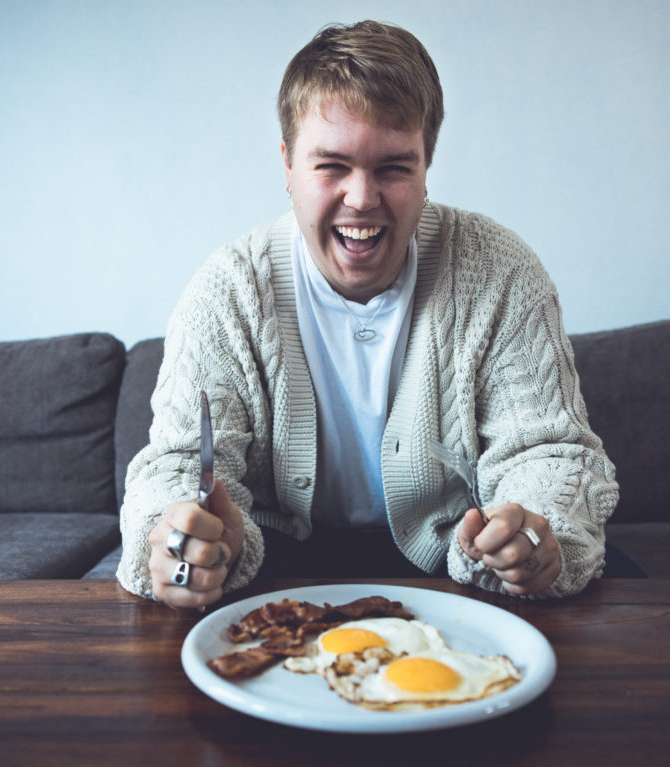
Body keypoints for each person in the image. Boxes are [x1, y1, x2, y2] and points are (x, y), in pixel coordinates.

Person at [117, 20, 620, 610]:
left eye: (393, 168)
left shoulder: (500, 271)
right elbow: (179, 464)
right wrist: (181, 540)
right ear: (287, 166)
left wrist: (538, 535)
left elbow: (548, 450)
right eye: (331, 165)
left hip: (452, 561)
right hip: (278, 561)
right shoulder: (226, 293)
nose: (361, 198)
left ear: (427, 163)